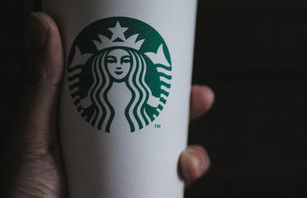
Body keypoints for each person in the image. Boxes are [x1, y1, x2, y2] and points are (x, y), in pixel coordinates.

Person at [5, 12, 214, 197]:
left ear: (136, 63)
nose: (118, 66)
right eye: (111, 61)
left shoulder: (144, 99)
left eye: (125, 61)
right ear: (101, 63)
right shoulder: (93, 98)